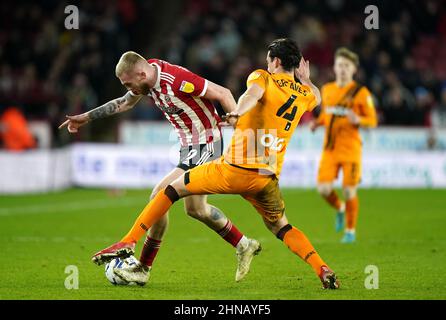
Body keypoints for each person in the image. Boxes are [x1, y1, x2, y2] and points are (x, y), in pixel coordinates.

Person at [93, 39, 340, 289]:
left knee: (170, 191)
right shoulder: (304, 93)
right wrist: (305, 79)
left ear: (275, 61)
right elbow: (317, 96)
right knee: (282, 227)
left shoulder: (262, 77)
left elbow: (250, 95)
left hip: (234, 170)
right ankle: (322, 268)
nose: (267, 64)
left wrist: (238, 113)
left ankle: (129, 242)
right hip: (266, 177)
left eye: (268, 60)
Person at [59, 51, 260, 284]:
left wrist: (239, 131)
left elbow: (223, 93)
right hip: (189, 146)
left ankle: (143, 267)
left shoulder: (177, 81)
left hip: (207, 143)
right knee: (196, 210)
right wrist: (85, 117)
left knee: (160, 195)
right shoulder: (147, 77)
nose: (129, 88)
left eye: (128, 83)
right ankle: (245, 244)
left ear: (141, 74)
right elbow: (125, 103)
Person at [310, 47, 377, 243]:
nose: (342, 69)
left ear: (354, 69)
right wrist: (318, 122)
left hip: (351, 150)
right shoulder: (327, 89)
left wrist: (359, 120)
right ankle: (339, 208)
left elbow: (372, 120)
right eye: (340, 65)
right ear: (334, 67)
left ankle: (350, 231)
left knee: (349, 190)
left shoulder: (361, 92)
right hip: (329, 149)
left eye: (347, 66)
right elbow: (327, 115)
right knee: (323, 189)